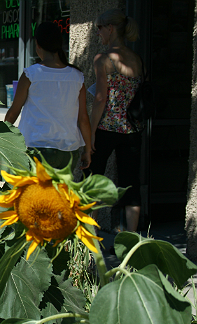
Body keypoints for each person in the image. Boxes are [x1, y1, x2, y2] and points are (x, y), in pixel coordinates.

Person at [5, 21, 92, 173]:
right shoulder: (77, 77)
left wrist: (2, 138)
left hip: (36, 148)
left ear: (37, 44)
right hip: (68, 150)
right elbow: (83, 118)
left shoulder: (31, 74)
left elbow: (14, 111)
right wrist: (88, 149)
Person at [85, 9, 143, 232]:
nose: (98, 33)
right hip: (132, 130)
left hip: (107, 128)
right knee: (131, 185)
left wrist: (90, 133)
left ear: (110, 28)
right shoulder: (136, 59)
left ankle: (88, 236)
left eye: (99, 28)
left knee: (93, 180)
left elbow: (100, 99)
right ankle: (131, 240)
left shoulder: (103, 59)